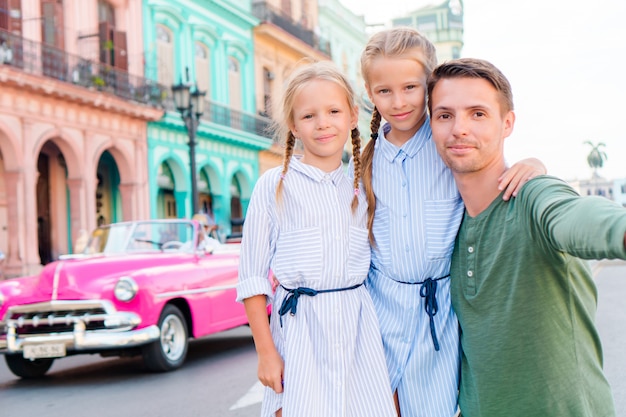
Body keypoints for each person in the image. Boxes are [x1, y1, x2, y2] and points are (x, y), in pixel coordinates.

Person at [358, 27, 546, 416]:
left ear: (429, 85)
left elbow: (493, 175)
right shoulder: (364, 161)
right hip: (378, 310)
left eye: (410, 88)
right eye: (384, 91)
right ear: (370, 92)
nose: (398, 102)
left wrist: (535, 165)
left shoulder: (449, 142)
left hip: (438, 311)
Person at [427, 57, 626, 417]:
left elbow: (579, 218)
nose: (459, 129)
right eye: (444, 115)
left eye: (477, 114)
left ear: (507, 123)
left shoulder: (534, 195)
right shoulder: (443, 224)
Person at [236, 61, 396, 417]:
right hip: (299, 334)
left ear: (353, 116)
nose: (323, 123)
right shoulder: (274, 186)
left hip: (358, 333)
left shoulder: (363, 186)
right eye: (309, 116)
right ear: (293, 124)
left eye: (334, 111)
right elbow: (251, 278)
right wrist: (266, 353)